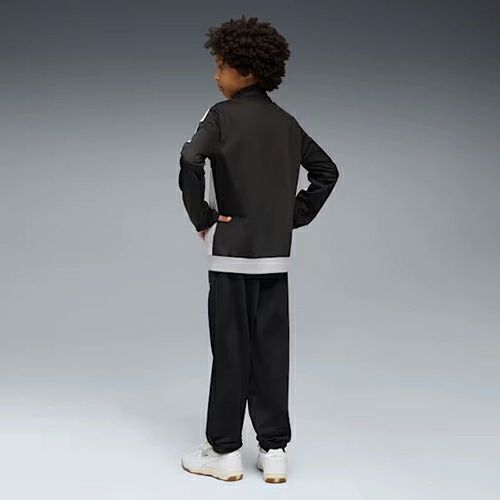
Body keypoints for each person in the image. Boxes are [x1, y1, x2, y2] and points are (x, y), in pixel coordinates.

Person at [178, 15, 339, 483]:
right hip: (274, 257)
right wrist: (293, 214)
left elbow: (190, 158)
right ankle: (274, 449)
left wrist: (202, 217)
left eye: (221, 65)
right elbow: (326, 171)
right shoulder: (287, 123)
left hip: (231, 256)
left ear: (244, 70)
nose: (215, 75)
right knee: (271, 352)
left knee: (231, 350)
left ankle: (224, 450)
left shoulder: (220, 116)